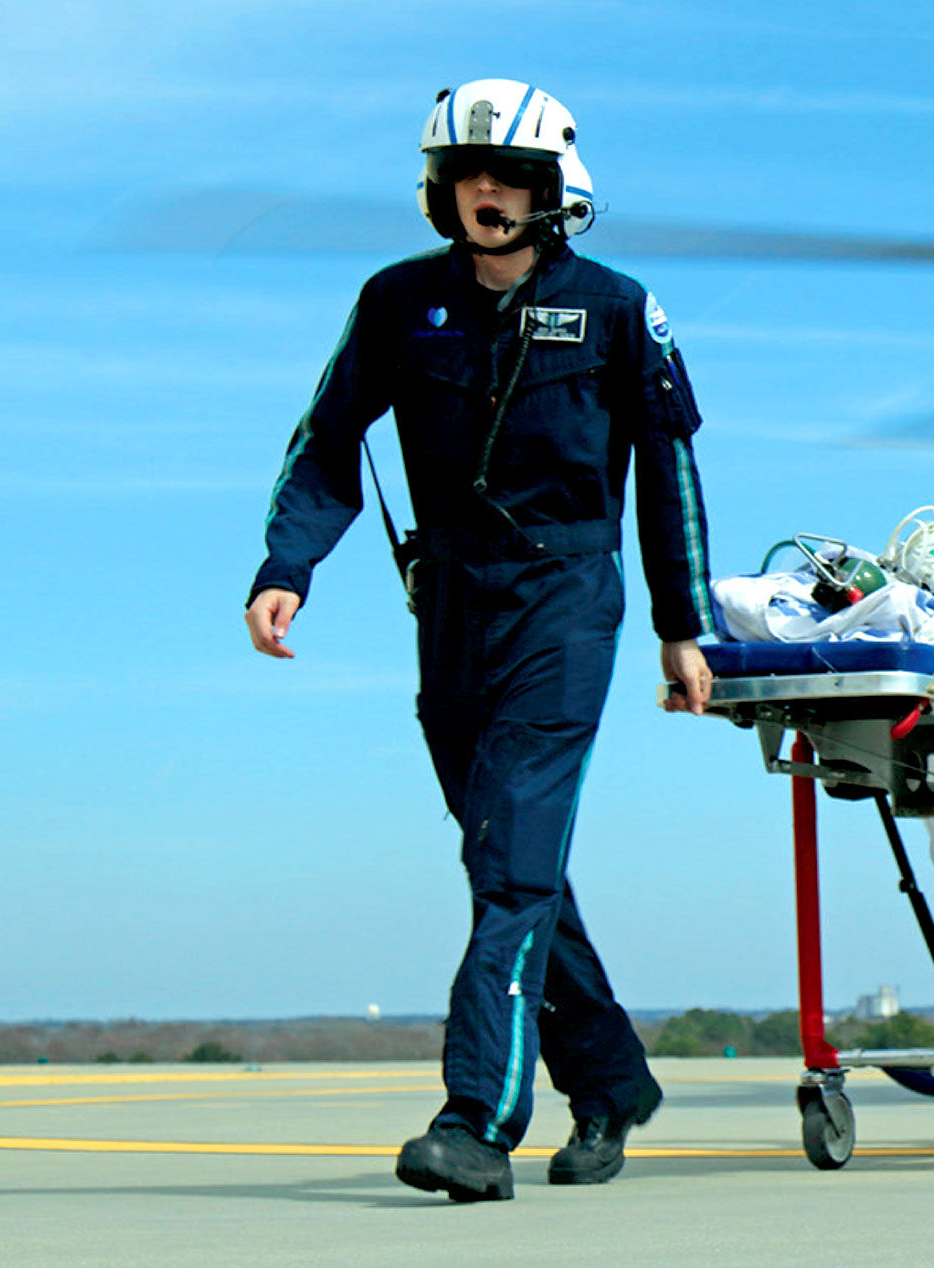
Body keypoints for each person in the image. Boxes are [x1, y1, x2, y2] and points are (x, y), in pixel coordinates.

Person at [242, 80, 714, 1202]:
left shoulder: (616, 308)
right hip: (451, 602)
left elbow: (672, 482)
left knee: (509, 862)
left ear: (553, 193)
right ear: (438, 191)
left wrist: (681, 626)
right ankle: (610, 1081)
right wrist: (285, 566)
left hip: (565, 599)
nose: (486, 193)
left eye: (508, 177)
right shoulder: (397, 301)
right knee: (509, 853)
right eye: (467, 176)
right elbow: (325, 442)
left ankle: (478, 1119)